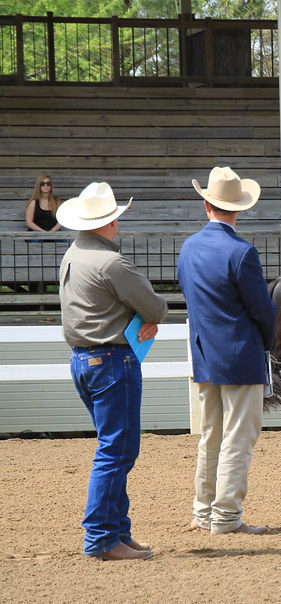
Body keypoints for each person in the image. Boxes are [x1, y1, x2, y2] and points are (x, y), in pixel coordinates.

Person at [57, 182, 169, 561]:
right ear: (110, 220)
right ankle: (103, 538)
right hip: (111, 362)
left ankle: (117, 531)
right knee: (116, 451)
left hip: (84, 360)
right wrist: (145, 319)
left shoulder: (73, 254)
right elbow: (156, 308)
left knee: (113, 448)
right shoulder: (112, 263)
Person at [177, 166, 276, 536]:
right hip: (240, 355)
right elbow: (262, 310)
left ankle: (203, 512)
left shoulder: (188, 247)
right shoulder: (241, 252)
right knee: (238, 438)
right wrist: (269, 342)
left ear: (207, 205)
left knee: (211, 436)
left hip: (204, 353)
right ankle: (226, 516)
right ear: (239, 209)